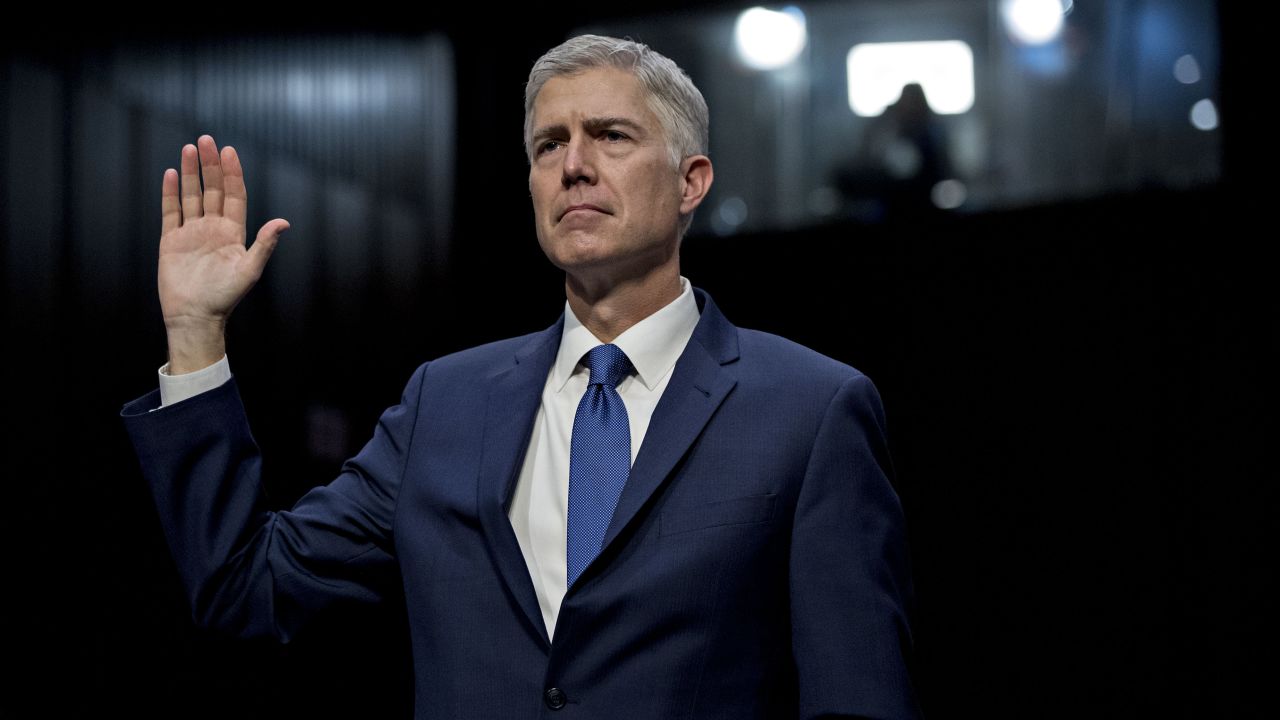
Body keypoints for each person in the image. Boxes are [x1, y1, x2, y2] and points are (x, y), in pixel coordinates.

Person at [123, 35, 921, 719]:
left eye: (611, 136)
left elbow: (856, 696)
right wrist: (195, 333)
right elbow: (246, 589)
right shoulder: (445, 402)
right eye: (549, 145)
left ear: (691, 183)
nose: (574, 166)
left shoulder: (811, 408)